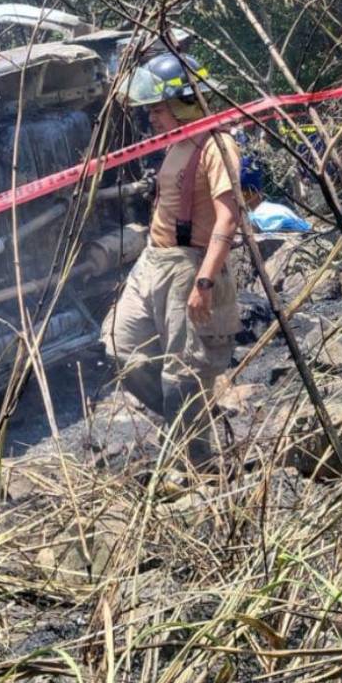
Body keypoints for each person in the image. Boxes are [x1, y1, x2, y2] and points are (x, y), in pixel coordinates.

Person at [103, 52, 241, 467]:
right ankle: (187, 422)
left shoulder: (218, 144)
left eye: (158, 109)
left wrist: (205, 282)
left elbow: (229, 216)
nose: (152, 118)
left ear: (185, 102)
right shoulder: (179, 143)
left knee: (182, 373)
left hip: (188, 267)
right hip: (153, 262)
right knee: (119, 346)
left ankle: (196, 465)